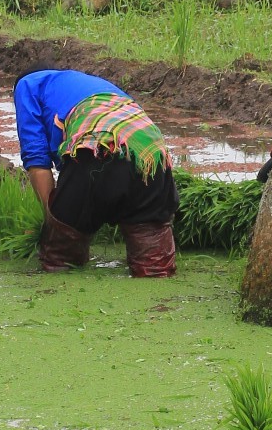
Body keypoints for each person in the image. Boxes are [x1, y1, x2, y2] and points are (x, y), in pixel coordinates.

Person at [13, 68, 178, 277]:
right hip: (152, 157)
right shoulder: (90, 83)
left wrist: (53, 221)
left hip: (96, 153)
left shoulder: (27, 84)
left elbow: (37, 161)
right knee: (154, 265)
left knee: (60, 260)